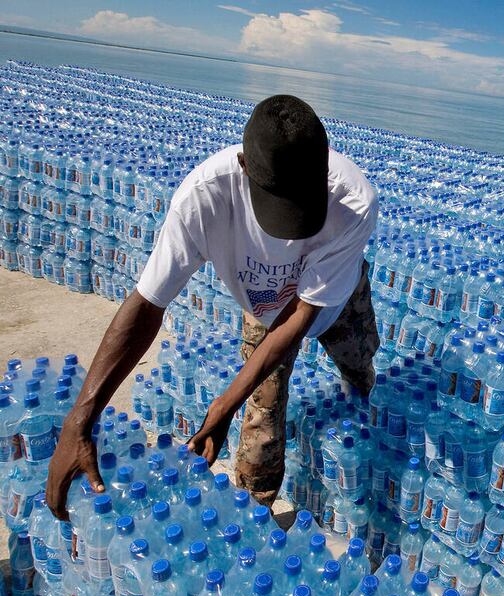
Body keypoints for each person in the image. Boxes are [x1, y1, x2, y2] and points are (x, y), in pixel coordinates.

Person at [44, 95, 379, 518]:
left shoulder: (354, 201)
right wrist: (81, 418)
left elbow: (303, 314)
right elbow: (147, 303)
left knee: (359, 367)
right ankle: (255, 517)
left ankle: (370, 432)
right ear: (244, 168)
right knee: (262, 420)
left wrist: (223, 404)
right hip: (266, 309)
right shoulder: (203, 197)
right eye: (280, 207)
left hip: (337, 300)